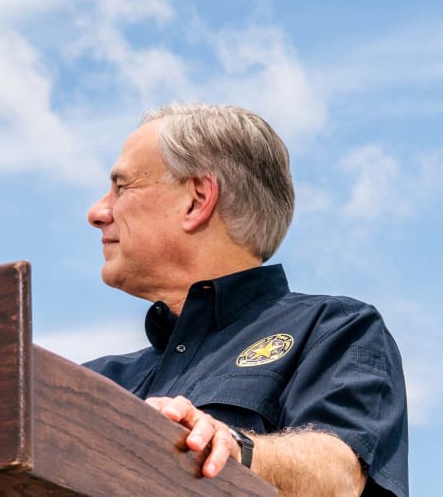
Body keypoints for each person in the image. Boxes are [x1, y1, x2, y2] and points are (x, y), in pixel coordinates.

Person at [83, 103, 407, 496]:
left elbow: (339, 475)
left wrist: (233, 447)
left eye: (122, 186)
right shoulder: (95, 383)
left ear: (197, 200)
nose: (97, 212)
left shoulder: (334, 329)